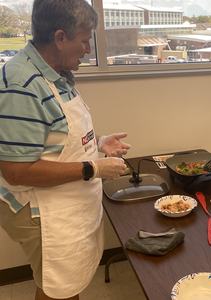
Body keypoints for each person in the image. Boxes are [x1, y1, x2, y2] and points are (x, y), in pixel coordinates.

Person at [0, 1, 130, 299]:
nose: (87, 50)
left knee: (65, 283)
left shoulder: (53, 73)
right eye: (84, 41)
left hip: (64, 201)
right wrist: (93, 167)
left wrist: (98, 143)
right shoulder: (22, 84)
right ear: (60, 37)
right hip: (42, 210)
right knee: (59, 289)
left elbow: (55, 137)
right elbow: (17, 170)